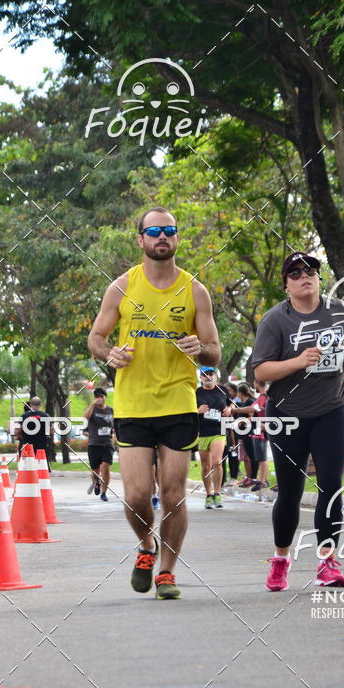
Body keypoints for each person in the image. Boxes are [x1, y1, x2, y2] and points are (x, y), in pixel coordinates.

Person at [88, 206, 221, 599]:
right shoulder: (121, 287)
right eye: (154, 231)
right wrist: (108, 353)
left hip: (179, 401)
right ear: (141, 240)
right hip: (132, 404)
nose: (162, 236)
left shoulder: (195, 290)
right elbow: (96, 337)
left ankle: (167, 571)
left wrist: (203, 349)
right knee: (135, 495)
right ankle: (147, 546)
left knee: (175, 493)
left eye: (169, 230)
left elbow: (214, 350)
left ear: (177, 238)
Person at [250, 250, 344, 592]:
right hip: (286, 413)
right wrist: (297, 361)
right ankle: (281, 559)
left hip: (331, 410)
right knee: (290, 492)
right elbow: (261, 371)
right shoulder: (276, 320)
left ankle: (328, 563)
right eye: (295, 273)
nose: (304, 276)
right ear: (286, 285)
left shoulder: (340, 311)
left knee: (331, 487)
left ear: (319, 278)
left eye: (310, 270)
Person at [196, 366, 231, 508]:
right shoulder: (196, 392)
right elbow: (187, 410)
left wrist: (229, 409)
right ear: (200, 378)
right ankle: (209, 494)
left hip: (219, 430)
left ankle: (217, 493)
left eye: (210, 374)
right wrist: (197, 410)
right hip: (203, 431)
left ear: (215, 376)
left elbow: (230, 404)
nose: (208, 376)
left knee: (217, 462)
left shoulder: (223, 390)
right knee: (206, 466)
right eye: (204, 374)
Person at [83, 387, 114, 502]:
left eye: (101, 396)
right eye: (97, 397)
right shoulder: (93, 409)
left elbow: (114, 424)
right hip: (94, 444)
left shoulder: (111, 410)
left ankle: (104, 492)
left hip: (107, 444)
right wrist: (92, 404)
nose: (99, 399)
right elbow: (84, 418)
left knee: (105, 467)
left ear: (105, 397)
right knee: (95, 471)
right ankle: (96, 482)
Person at [16, 397, 51, 467]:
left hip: (28, 445)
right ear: (40, 405)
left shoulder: (24, 416)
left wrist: (20, 436)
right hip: (42, 445)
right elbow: (51, 430)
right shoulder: (45, 416)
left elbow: (18, 430)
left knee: (29, 465)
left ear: (30, 404)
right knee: (41, 464)